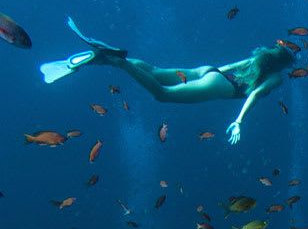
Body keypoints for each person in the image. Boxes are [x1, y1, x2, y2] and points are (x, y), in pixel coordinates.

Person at [40, 17, 294, 144]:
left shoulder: (260, 58)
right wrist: (239, 121)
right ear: (283, 65)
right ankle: (119, 62)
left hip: (209, 71)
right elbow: (255, 94)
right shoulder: (276, 78)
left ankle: (101, 57)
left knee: (154, 70)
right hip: (221, 86)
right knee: (162, 93)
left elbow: (230, 66)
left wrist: (209, 73)